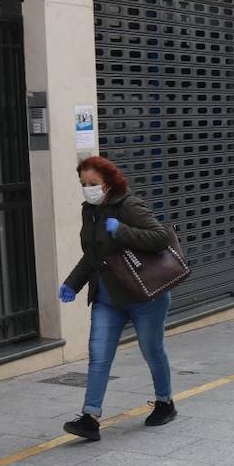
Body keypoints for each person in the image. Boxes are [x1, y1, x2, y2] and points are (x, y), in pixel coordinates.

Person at [59, 155, 177, 441]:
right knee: (98, 356)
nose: (88, 189)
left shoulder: (129, 205)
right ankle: (90, 417)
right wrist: (73, 283)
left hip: (143, 296)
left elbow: (161, 237)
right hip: (107, 298)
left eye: (93, 183)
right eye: (83, 184)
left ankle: (165, 403)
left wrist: (122, 231)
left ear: (109, 183)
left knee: (152, 351)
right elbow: (93, 255)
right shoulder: (90, 211)